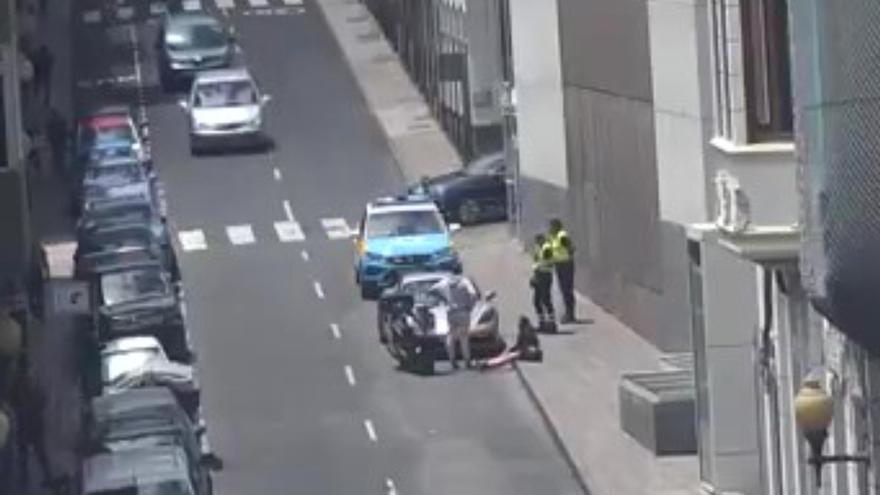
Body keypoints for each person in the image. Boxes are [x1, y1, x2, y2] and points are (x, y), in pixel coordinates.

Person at [427, 275, 476, 370]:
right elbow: (473, 295)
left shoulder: (445, 282)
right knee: (464, 337)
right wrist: (470, 305)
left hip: (451, 312)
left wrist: (443, 299)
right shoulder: (465, 282)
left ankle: (452, 360)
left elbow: (432, 290)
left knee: (450, 336)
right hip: (463, 311)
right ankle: (467, 361)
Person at [549, 218, 577, 323]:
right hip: (559, 265)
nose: (550, 229)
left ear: (557, 227)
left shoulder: (562, 236)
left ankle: (570, 314)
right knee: (563, 290)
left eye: (552, 226)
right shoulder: (554, 237)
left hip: (566, 265)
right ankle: (567, 313)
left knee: (567, 290)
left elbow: (571, 248)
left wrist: (568, 258)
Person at [530, 234, 556, 333]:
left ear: (542, 240)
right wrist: (534, 276)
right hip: (539, 275)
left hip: (545, 275)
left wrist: (539, 267)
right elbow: (536, 262)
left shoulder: (546, 248)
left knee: (546, 300)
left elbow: (549, 262)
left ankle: (552, 324)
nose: (537, 243)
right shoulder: (539, 248)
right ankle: (542, 323)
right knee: (536, 301)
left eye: (538, 240)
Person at [46, 109, 68, 178]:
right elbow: (64, 131)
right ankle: (59, 172)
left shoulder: (53, 122)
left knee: (58, 157)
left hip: (57, 142)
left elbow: (49, 131)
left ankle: (59, 172)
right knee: (58, 157)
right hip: (57, 142)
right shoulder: (60, 121)